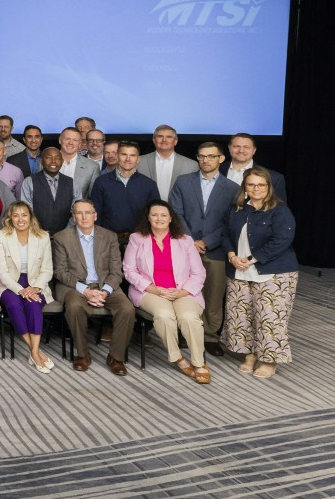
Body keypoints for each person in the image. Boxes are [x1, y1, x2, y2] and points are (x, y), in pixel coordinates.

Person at [123, 201, 210, 384]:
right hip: (151, 291)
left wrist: (182, 292)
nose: (159, 218)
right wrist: (152, 288)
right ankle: (178, 358)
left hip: (183, 291)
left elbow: (198, 272)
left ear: (171, 218)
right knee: (164, 315)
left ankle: (199, 363)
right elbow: (129, 270)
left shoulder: (185, 240)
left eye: (163, 215)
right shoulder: (137, 239)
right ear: (148, 217)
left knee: (188, 317)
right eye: (154, 214)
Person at [224, 167, 298, 379]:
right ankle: (250, 354)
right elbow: (224, 233)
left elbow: (282, 239)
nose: (256, 188)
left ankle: (268, 359)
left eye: (261, 185)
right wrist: (231, 256)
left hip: (273, 271)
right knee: (242, 314)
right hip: (239, 270)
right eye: (251, 184)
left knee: (269, 316)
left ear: (268, 187)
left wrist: (251, 259)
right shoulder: (237, 209)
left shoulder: (279, 210)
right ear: (244, 187)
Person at [170, 141, 241, 357]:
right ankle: (185, 332)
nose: (205, 160)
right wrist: (191, 241)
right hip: (185, 247)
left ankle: (210, 336)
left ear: (221, 159)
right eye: (201, 156)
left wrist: (207, 242)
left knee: (213, 294)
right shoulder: (183, 182)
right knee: (186, 292)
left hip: (216, 250)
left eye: (210, 156)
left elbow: (230, 222)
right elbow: (175, 212)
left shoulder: (232, 188)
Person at [51, 199, 132, 375]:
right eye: (79, 213)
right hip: (74, 286)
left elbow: (116, 271)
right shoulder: (61, 237)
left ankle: (116, 357)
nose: (84, 216)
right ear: (73, 217)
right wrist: (86, 291)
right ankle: (82, 354)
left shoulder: (109, 236)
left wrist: (104, 292)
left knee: (127, 308)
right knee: (74, 307)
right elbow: (60, 272)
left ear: (95, 216)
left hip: (105, 285)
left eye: (88, 212)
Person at [0, 201, 56, 373]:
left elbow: (47, 269)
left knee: (33, 304)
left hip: (36, 282)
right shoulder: (1, 236)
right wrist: (20, 290)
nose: (20, 219)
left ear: (30, 217)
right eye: (16, 215)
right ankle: (36, 352)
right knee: (14, 305)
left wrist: (35, 287)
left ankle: (34, 352)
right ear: (10, 218)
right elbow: (1, 271)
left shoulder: (42, 237)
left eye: (24, 214)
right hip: (9, 284)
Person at [89, 140, 158, 250]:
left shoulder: (149, 184)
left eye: (132, 155)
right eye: (124, 154)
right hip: (107, 241)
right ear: (117, 156)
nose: (128, 159)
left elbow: (155, 215)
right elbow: (95, 213)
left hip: (140, 241)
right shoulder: (101, 182)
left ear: (138, 159)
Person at [17, 147, 75, 234]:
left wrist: (65, 233)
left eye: (58, 158)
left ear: (62, 161)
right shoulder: (29, 182)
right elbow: (26, 212)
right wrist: (38, 232)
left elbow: (77, 212)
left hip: (66, 236)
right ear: (41, 161)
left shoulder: (71, 183)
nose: (53, 161)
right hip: (36, 235)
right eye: (48, 157)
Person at [223, 133, 289, 202]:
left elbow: (279, 210)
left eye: (246, 147)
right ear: (229, 148)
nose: (241, 151)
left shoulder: (274, 178)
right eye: (236, 146)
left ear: (254, 150)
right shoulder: (214, 171)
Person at [144, 125, 196, 202]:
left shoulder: (191, 165)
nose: (164, 140)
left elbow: (193, 195)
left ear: (175, 141)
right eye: (160, 136)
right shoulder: (139, 161)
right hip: (147, 211)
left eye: (169, 137)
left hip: (178, 212)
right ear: (154, 140)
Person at [55, 127, 99, 199]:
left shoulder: (92, 167)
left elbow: (94, 199)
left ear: (79, 144)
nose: (71, 143)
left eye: (75, 140)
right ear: (60, 140)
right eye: (67, 139)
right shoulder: (45, 162)